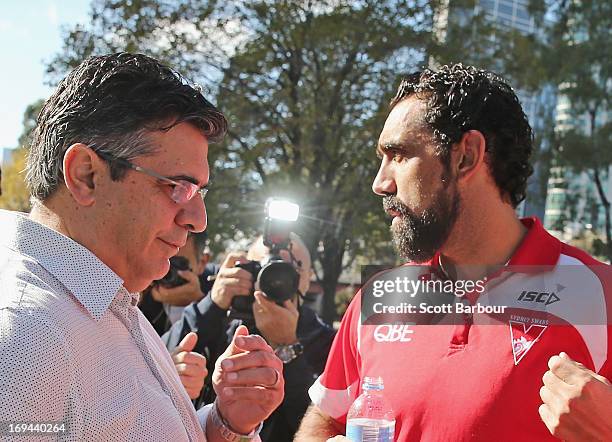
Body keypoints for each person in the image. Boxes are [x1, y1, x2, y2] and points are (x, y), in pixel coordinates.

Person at [295, 64, 612, 441]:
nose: (380, 183)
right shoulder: (378, 296)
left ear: (466, 156)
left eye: (398, 154)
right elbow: (325, 420)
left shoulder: (599, 292)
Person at [0, 52, 283, 441]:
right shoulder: (25, 337)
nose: (197, 219)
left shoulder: (102, 293)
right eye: (178, 187)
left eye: (199, 191)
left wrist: (226, 423)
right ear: (86, 175)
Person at [164, 233, 337, 441]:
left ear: (308, 278)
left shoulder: (323, 338)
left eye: (292, 269)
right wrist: (213, 304)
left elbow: (315, 423)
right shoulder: (225, 319)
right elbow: (161, 354)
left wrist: (288, 347)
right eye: (266, 266)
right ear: (248, 270)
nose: (279, 277)